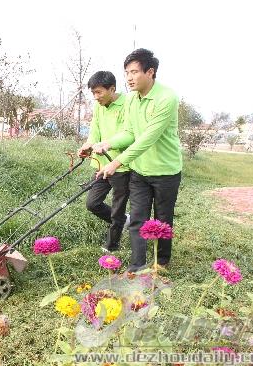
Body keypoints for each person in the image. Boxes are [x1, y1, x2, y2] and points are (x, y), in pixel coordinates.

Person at [93, 49, 182, 273]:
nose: (129, 77)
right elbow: (130, 132)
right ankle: (137, 265)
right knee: (137, 219)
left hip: (165, 171)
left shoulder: (166, 98)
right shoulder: (132, 99)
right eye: (126, 72)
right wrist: (109, 143)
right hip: (140, 171)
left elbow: (147, 139)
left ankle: (161, 262)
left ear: (150, 72)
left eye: (134, 72)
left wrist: (115, 162)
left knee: (162, 219)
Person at [77, 71, 130, 252]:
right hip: (101, 164)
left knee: (117, 207)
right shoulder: (99, 107)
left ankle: (112, 246)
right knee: (92, 203)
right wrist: (87, 145)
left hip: (120, 165)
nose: (96, 97)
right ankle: (125, 222)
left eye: (99, 92)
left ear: (112, 89)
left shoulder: (127, 105)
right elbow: (94, 131)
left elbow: (128, 135)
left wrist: (108, 145)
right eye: (93, 93)